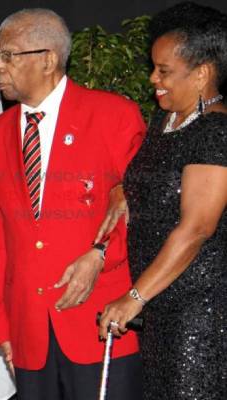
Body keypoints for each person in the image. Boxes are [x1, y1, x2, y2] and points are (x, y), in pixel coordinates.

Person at [0, 9, 146, 400]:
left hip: (101, 321)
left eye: (8, 55)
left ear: (47, 59)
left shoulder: (114, 116)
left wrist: (100, 254)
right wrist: (4, 329)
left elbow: (142, 209)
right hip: (29, 333)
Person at [98, 2, 227, 399]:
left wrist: (133, 297)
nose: (153, 78)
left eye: (164, 71)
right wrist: (126, 192)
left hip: (199, 317)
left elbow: (196, 229)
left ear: (202, 72)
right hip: (161, 308)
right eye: (154, 67)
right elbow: (160, 178)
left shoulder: (215, 132)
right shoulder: (166, 120)